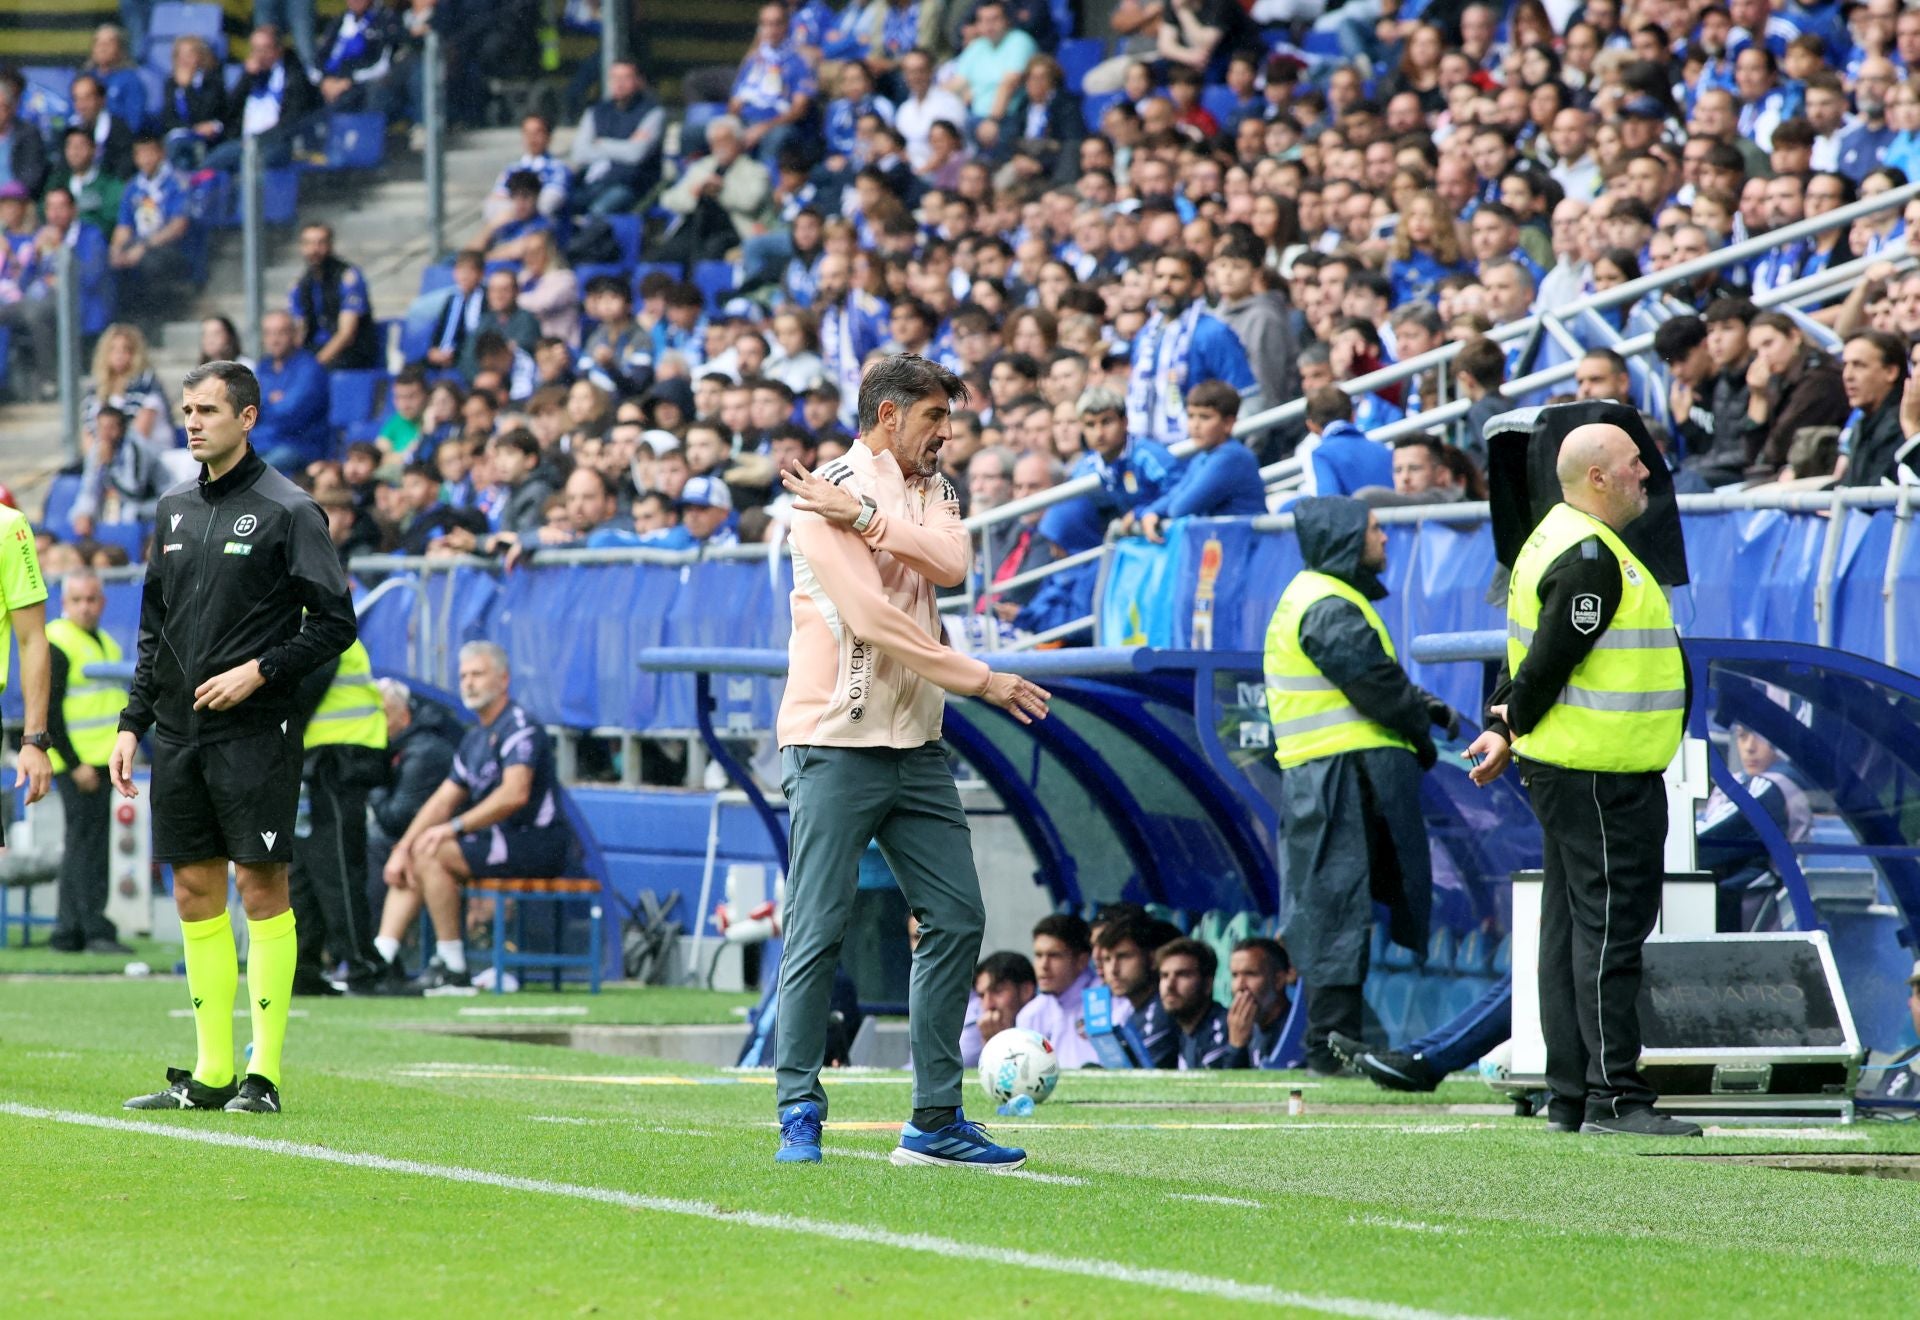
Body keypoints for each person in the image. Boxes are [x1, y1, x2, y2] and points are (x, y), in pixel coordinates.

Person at [767, 353, 1050, 1168]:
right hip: (834, 741)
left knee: (957, 916)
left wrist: (867, 519)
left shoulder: (934, 493)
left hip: (917, 745)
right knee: (818, 927)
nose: (946, 435)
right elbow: (873, 619)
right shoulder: (817, 494)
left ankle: (933, 1119)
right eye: (933, 419)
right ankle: (798, 1110)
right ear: (889, 416)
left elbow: (953, 566)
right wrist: (982, 680)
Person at [113, 359, 359, 1115]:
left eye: (208, 411)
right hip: (178, 734)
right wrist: (132, 722)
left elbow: (336, 625)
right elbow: (154, 631)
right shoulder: (173, 509)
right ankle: (212, 1072)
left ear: (247, 418)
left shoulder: (291, 510)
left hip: (255, 732)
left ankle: (265, 1077)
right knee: (193, 890)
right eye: (187, 410)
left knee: (259, 885)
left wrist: (259, 671)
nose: (192, 422)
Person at [1465, 421, 1699, 1138]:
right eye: (1633, 463)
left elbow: (1530, 659)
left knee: (1570, 932)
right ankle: (1615, 1098)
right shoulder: (1592, 555)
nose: (1647, 473)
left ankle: (1570, 1096)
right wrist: (1511, 723)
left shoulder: (1552, 539)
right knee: (1609, 936)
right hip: (1601, 774)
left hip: (1577, 768)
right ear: (1598, 477)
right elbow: (1547, 663)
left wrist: (1506, 727)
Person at [1263, 496, 1456, 1075]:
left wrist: (1422, 709)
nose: (1384, 537)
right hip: (1337, 776)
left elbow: (1373, 681)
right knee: (1336, 908)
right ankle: (1330, 1045)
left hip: (1333, 774)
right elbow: (1376, 687)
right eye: (1373, 529)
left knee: (1334, 905)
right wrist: (1421, 729)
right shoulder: (1327, 604)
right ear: (1345, 539)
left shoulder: (1321, 597)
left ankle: (1333, 1041)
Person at [373, 641, 569, 992]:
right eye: (463, 676)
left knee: (433, 851)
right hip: (495, 842)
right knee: (417, 849)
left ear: (503, 679)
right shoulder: (475, 737)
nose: (468, 683)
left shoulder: (519, 726)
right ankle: (379, 960)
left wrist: (452, 829)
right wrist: (402, 847)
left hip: (536, 841)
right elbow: (442, 801)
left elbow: (514, 794)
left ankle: (453, 967)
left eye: (477, 674)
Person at [287, 638, 394, 995]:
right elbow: (306, 690)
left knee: (306, 869)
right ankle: (362, 965)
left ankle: (303, 967)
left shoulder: (296, 623)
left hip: (315, 760)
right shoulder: (321, 623)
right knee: (340, 869)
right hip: (334, 762)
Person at [45, 570, 130, 955]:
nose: (85, 607)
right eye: (77, 600)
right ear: (64, 602)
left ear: (103, 601)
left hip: (101, 759)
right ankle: (94, 929)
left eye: (92, 599)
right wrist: (74, 762)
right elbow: (48, 711)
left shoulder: (105, 642)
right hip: (79, 762)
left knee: (84, 845)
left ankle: (69, 932)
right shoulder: (58, 641)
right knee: (87, 848)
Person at [1126, 249, 1255, 447]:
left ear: (1197, 286)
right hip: (1151, 451)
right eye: (1160, 277)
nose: (1165, 285)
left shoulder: (1213, 332)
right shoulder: (1145, 335)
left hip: (1201, 451)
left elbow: (1245, 397)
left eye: (1176, 278)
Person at [1124, 380, 1265, 541]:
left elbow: (1180, 507)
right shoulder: (1203, 457)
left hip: (1251, 546)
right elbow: (1175, 493)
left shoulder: (1231, 457)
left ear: (1228, 423)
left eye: (1205, 417)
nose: (1195, 425)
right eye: (1191, 416)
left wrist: (1155, 511)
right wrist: (1151, 512)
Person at [1013, 913, 1101, 1068]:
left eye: (1054, 956)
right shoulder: (1030, 1015)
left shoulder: (1106, 998)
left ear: (1081, 961)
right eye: (1038, 955)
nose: (1043, 966)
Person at [290, 222, 380, 372]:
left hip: (349, 354)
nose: (314, 250)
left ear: (330, 245)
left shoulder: (348, 278)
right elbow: (299, 330)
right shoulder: (301, 284)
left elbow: (346, 334)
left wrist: (313, 367)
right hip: (314, 351)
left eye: (320, 243)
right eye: (309, 244)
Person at [250, 310, 332, 472]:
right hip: (261, 441)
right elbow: (248, 407)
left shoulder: (309, 368)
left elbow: (290, 413)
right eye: (268, 334)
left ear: (294, 335)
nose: (274, 340)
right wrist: (268, 401)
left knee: (252, 472)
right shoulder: (263, 367)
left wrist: (261, 404)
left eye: (281, 333)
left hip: (298, 446)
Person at [1153, 938, 1234, 1070]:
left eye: (1182, 975)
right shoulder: (1186, 1033)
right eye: (1164, 976)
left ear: (1208, 984)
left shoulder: (1225, 1029)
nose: (1169, 986)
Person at [1221, 937, 1295, 1069]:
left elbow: (1294, 1084)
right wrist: (1236, 1046)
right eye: (1235, 975)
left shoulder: (1297, 1031)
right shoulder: (1237, 1029)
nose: (1239, 986)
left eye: (1250, 974)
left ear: (1278, 980)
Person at [959, 949, 1036, 1067]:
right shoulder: (974, 1022)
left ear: (1026, 991)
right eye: (981, 995)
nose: (987, 1005)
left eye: (997, 991)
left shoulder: (1044, 1016)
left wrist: (998, 1043)